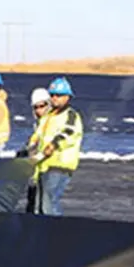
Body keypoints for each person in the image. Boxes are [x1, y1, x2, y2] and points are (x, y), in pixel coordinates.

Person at [30, 77, 83, 216]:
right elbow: (39, 134)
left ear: (67, 97)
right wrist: (30, 147)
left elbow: (69, 132)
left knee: (50, 204)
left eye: (58, 95)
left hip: (59, 165)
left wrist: (54, 144)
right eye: (52, 95)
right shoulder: (48, 116)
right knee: (39, 205)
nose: (54, 98)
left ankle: (57, 233)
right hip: (43, 165)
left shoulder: (71, 115)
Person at [21, 87, 51, 213]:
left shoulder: (53, 121)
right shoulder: (38, 123)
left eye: (42, 106)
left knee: (46, 203)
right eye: (36, 107)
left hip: (48, 168)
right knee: (32, 200)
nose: (39, 110)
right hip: (36, 169)